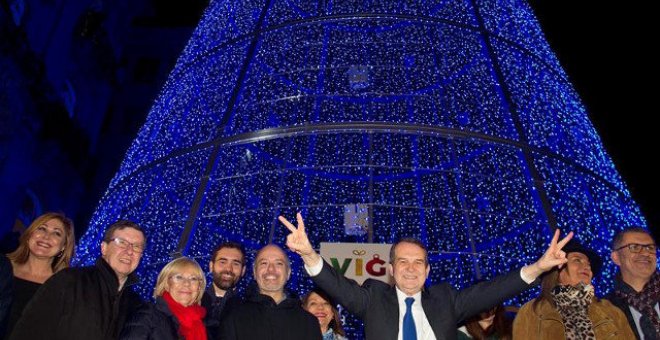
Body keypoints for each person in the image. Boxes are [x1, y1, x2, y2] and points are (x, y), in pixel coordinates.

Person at [279, 212, 573, 340]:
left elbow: (492, 291)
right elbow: (336, 284)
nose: (410, 268)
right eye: (402, 262)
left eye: (418, 262)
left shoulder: (446, 299)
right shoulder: (373, 298)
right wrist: (307, 253)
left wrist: (539, 267)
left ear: (427, 270)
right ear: (391, 270)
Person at [8, 220, 146, 340]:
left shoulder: (136, 305)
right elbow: (30, 330)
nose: (129, 251)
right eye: (121, 242)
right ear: (104, 248)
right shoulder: (70, 281)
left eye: (136, 246)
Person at [513, 239, 635, 339]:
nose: (586, 267)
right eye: (577, 260)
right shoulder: (532, 311)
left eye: (588, 264)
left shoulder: (610, 310)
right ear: (558, 269)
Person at [219, 244, 322, 340]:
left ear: (288, 273)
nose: (271, 269)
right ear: (255, 272)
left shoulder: (308, 322)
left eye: (278, 263)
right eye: (264, 263)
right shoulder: (234, 317)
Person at [2, 212, 75, 339]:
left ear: (63, 246)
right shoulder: (3, 268)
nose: (46, 236)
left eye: (57, 233)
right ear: (30, 234)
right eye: (42, 228)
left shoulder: (65, 287)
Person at [121, 257, 207, 340]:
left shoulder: (203, 324)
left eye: (193, 279)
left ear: (199, 287)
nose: (186, 283)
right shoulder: (147, 315)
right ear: (167, 284)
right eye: (179, 277)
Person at [606, 227, 659, 339]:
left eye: (650, 247)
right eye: (634, 247)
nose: (645, 253)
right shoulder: (605, 309)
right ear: (616, 258)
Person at [202, 242, 246, 339]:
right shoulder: (193, 302)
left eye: (235, 263)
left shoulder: (249, 311)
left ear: (243, 270)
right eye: (222, 262)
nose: (228, 269)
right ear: (211, 266)